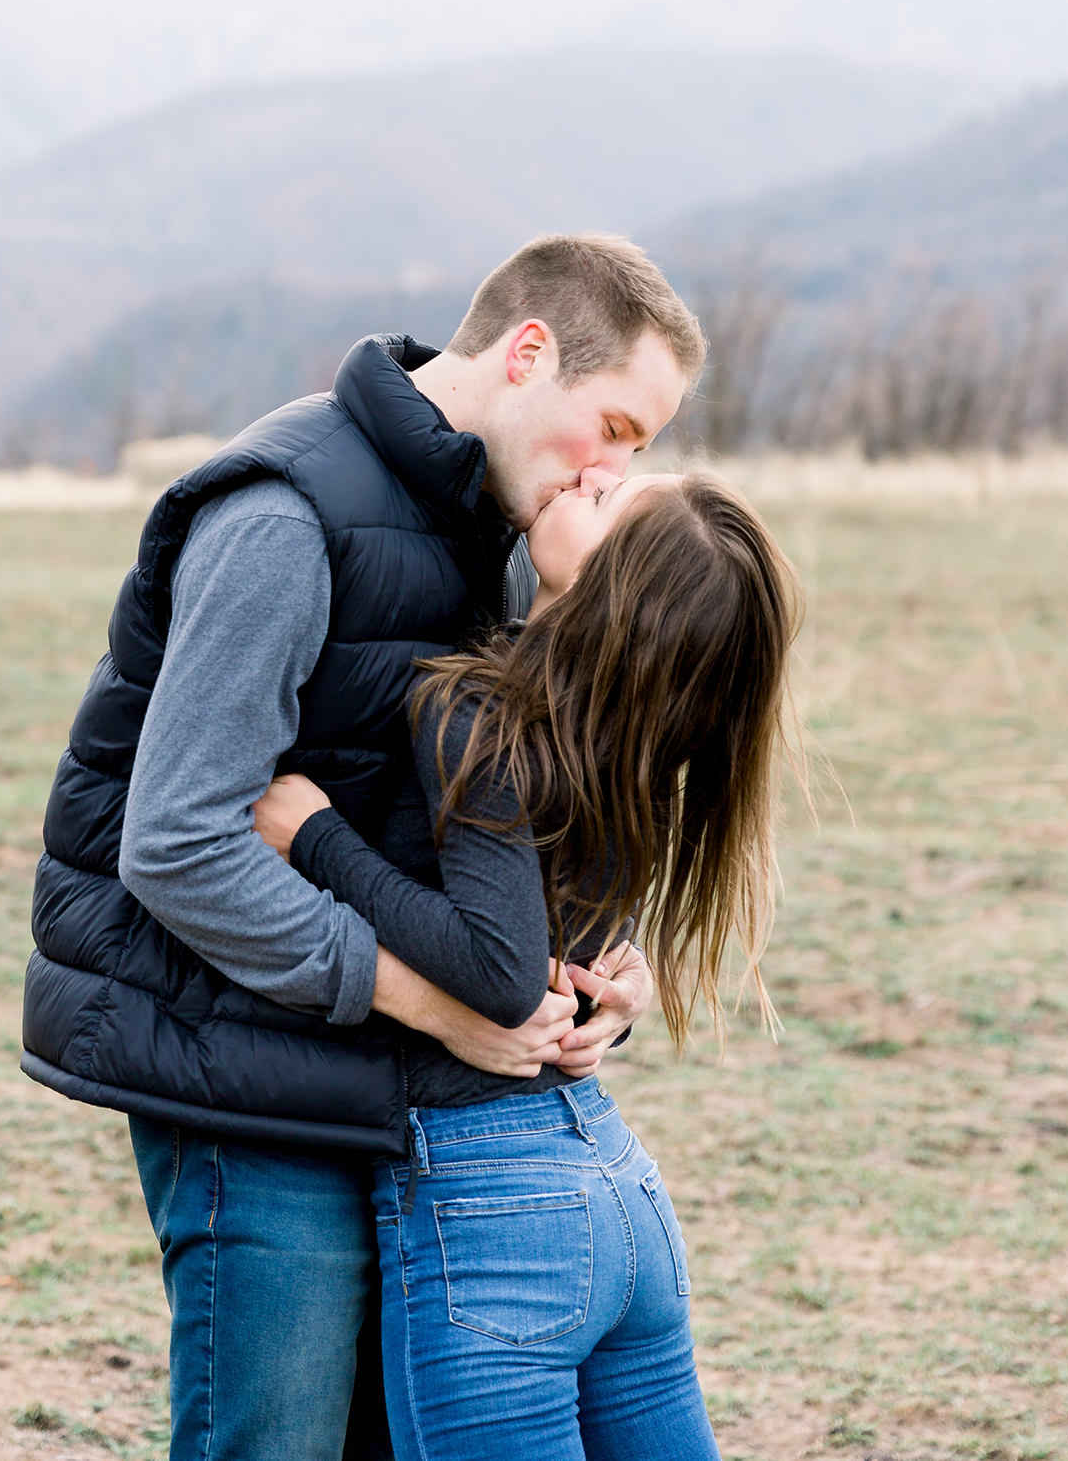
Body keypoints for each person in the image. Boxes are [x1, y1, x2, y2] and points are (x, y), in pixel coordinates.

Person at [22, 233, 706, 1460]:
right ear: (528, 353)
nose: (613, 474)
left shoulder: (507, 532)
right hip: (241, 1069)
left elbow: (487, 814)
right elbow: (178, 844)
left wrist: (600, 960)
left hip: (397, 1095)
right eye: (615, 428)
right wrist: (440, 1009)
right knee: (276, 1441)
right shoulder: (284, 517)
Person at [253, 465, 803, 1461]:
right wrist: (620, 996)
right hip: (618, 1195)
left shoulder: (473, 711)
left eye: (612, 499)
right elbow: (571, 953)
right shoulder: (628, 746)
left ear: (610, 595)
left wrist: (319, 841)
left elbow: (503, 974)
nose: (596, 474)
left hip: (495, 1211)